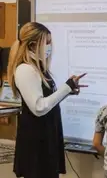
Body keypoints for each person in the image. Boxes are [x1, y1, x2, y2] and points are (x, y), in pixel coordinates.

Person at [7, 22, 87, 178]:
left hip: (47, 135)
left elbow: (46, 100)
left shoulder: (38, 68)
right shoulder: (25, 70)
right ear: (32, 45)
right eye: (46, 43)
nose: (49, 47)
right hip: (36, 140)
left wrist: (67, 91)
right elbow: (38, 107)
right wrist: (66, 87)